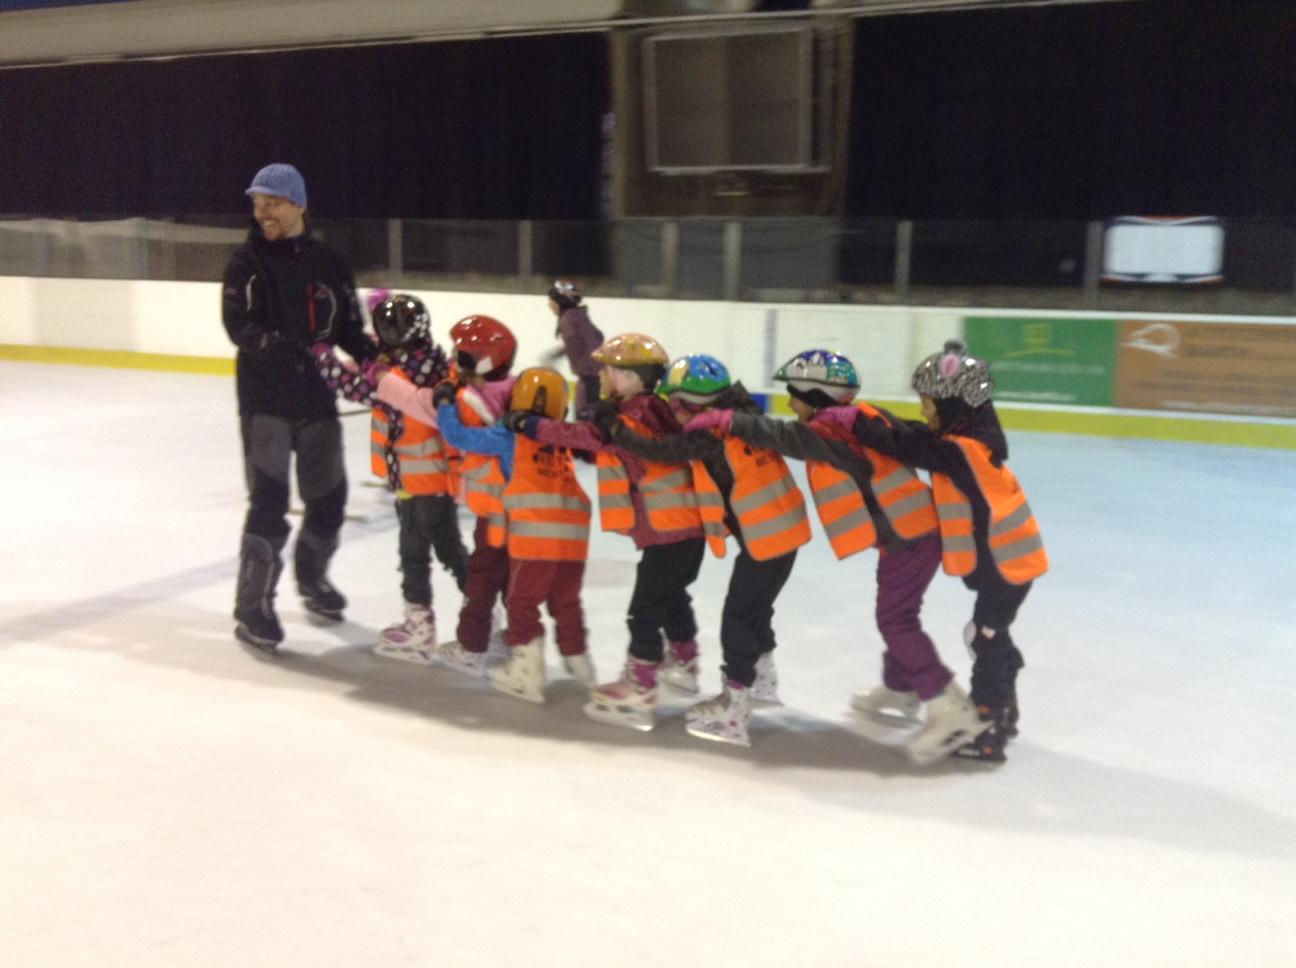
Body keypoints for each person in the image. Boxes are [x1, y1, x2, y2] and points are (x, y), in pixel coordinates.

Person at [687, 349, 983, 766]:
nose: (791, 403)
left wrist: (730, 421)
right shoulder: (858, 417)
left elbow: (784, 436)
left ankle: (947, 704)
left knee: (896, 620)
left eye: (795, 394)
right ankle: (900, 688)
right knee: (898, 614)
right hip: (909, 532)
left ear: (815, 394)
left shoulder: (831, 432)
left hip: (911, 535)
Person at [828, 339, 1049, 763]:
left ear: (951, 404)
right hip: (1008, 562)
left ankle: (989, 727)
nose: (925, 411)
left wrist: (858, 424)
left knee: (985, 639)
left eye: (929, 403)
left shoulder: (966, 451)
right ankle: (1004, 710)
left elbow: (911, 446)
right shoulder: (968, 437)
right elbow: (917, 433)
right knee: (987, 635)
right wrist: (871, 416)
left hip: (1008, 563)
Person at [605, 354, 811, 747]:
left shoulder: (710, 432)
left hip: (767, 536)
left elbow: (663, 451)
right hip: (782, 530)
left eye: (674, 404)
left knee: (739, 616)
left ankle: (735, 706)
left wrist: (616, 428)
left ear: (692, 403)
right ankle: (762, 681)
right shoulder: (742, 414)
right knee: (756, 609)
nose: (672, 412)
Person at [515, 333, 706, 731]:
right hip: (683, 530)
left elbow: (582, 437)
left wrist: (530, 424)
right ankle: (685, 661)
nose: (602, 375)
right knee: (671, 597)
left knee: (644, 611)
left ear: (631, 378)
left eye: (609, 370)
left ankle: (641, 684)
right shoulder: (651, 409)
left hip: (669, 531)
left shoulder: (630, 421)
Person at [221, 162, 375, 652]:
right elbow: (239, 328)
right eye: (257, 203)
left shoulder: (329, 262)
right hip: (265, 403)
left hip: (317, 402)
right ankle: (253, 605)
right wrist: (288, 349)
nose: (262, 212)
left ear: (299, 205)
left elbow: (350, 330)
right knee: (268, 504)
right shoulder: (246, 263)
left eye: (272, 203)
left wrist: (384, 363)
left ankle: (312, 577)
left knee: (329, 499)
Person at [414, 368, 598, 701]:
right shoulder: (561, 440)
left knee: (519, 600)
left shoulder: (508, 435)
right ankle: (579, 662)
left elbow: (459, 437)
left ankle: (525, 672)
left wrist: (445, 404)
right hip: (572, 537)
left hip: (531, 532)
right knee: (565, 601)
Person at [311, 293, 468, 661]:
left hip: (419, 481)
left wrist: (320, 353)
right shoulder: (432, 361)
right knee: (450, 551)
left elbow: (353, 385)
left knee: (415, 555)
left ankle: (420, 628)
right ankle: (484, 613)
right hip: (432, 482)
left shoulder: (400, 378)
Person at [543, 279, 604, 421]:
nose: (549, 305)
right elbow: (591, 339)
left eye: (551, 300)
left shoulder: (569, 319)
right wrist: (557, 354)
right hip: (596, 377)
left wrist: (553, 361)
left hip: (590, 379)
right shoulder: (578, 315)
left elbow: (579, 343)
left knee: (585, 421)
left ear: (560, 301)